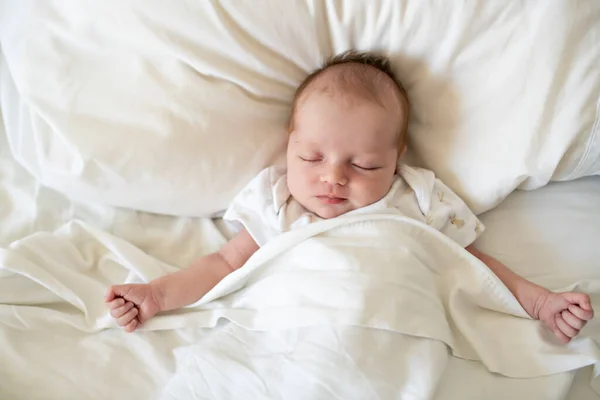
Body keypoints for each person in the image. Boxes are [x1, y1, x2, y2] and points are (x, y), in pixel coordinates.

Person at [105, 50, 593, 343]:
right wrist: (156, 294)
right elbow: (222, 265)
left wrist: (540, 303)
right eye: (311, 158)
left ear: (397, 159)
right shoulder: (278, 201)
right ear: (289, 144)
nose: (333, 179)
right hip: (289, 330)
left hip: (391, 325)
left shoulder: (418, 198)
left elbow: (473, 267)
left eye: (364, 165)